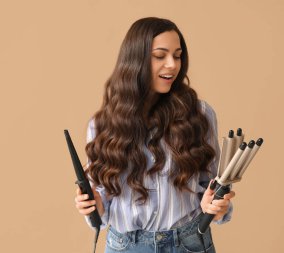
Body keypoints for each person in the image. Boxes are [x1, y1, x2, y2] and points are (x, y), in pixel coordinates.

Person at [74, 17, 235, 253]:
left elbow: (211, 183)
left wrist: (217, 205)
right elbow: (102, 200)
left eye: (177, 55)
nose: (172, 65)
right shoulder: (102, 125)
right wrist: (93, 205)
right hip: (126, 246)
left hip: (189, 244)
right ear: (136, 59)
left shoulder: (199, 113)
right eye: (160, 56)